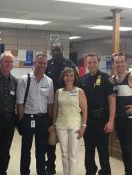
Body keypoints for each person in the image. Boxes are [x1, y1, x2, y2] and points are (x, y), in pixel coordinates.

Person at [16, 53, 54, 175]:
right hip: (28, 118)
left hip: (43, 119)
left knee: (41, 150)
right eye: (40, 63)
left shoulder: (49, 81)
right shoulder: (24, 80)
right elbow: (20, 103)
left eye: (44, 63)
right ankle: (24, 172)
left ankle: (41, 172)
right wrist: (21, 121)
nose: (42, 65)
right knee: (26, 150)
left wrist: (50, 121)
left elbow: (50, 103)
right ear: (34, 64)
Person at [79, 53, 116, 175]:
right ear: (86, 63)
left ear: (98, 62)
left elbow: (112, 100)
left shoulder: (106, 78)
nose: (91, 64)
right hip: (87, 119)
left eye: (94, 62)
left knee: (102, 150)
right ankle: (90, 171)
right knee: (89, 149)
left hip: (102, 119)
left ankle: (105, 172)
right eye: (89, 62)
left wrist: (111, 121)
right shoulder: (82, 80)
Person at [45, 44, 77, 175]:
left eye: (57, 50)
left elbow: (76, 83)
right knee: (51, 138)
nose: (54, 52)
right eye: (52, 50)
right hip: (52, 104)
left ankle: (70, 168)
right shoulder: (48, 64)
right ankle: (50, 166)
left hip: (66, 106)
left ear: (62, 51)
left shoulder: (69, 64)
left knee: (69, 143)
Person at [49, 67, 87, 175]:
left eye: (71, 76)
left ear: (74, 77)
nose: (69, 78)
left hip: (75, 126)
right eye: (66, 75)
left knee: (73, 154)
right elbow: (55, 109)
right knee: (64, 153)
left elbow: (84, 110)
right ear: (63, 77)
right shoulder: (58, 92)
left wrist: (83, 126)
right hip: (61, 125)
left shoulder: (79, 91)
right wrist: (53, 124)